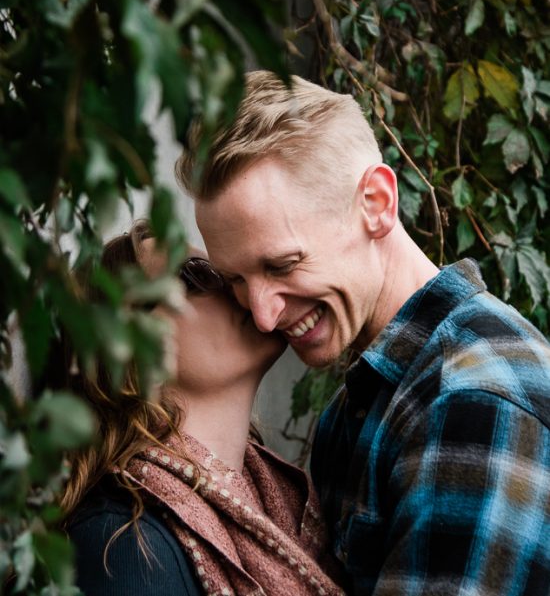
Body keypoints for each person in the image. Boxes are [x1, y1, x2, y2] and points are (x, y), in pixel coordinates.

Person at [176, 70, 550, 595]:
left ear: (376, 203)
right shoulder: (358, 411)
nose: (262, 315)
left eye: (283, 264)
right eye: (237, 279)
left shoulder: (471, 400)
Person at [62, 220, 345, 596]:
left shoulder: (287, 501)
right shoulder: (122, 547)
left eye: (227, 273)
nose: (237, 289)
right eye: (196, 277)